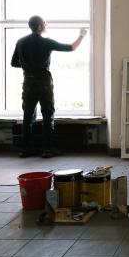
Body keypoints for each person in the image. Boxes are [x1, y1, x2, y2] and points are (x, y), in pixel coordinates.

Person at [11, 15, 87, 158]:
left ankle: (26, 149)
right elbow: (71, 47)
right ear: (39, 27)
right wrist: (81, 36)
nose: (46, 25)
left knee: (28, 117)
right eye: (45, 23)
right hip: (43, 83)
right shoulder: (46, 42)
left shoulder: (20, 42)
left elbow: (14, 63)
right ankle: (48, 149)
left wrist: (28, 66)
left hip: (28, 82)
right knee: (47, 116)